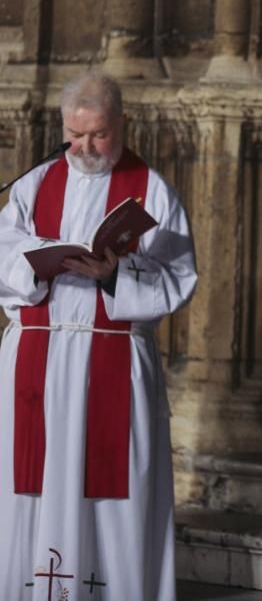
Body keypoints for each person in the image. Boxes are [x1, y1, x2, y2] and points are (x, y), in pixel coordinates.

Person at [0, 72, 197, 600]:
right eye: (75, 134)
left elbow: (179, 279)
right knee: (30, 483)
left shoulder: (152, 190)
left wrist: (113, 275)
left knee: (109, 489)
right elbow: (3, 257)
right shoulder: (33, 184)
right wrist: (38, 264)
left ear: (122, 125)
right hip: (37, 361)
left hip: (111, 362)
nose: (84, 147)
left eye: (98, 135)